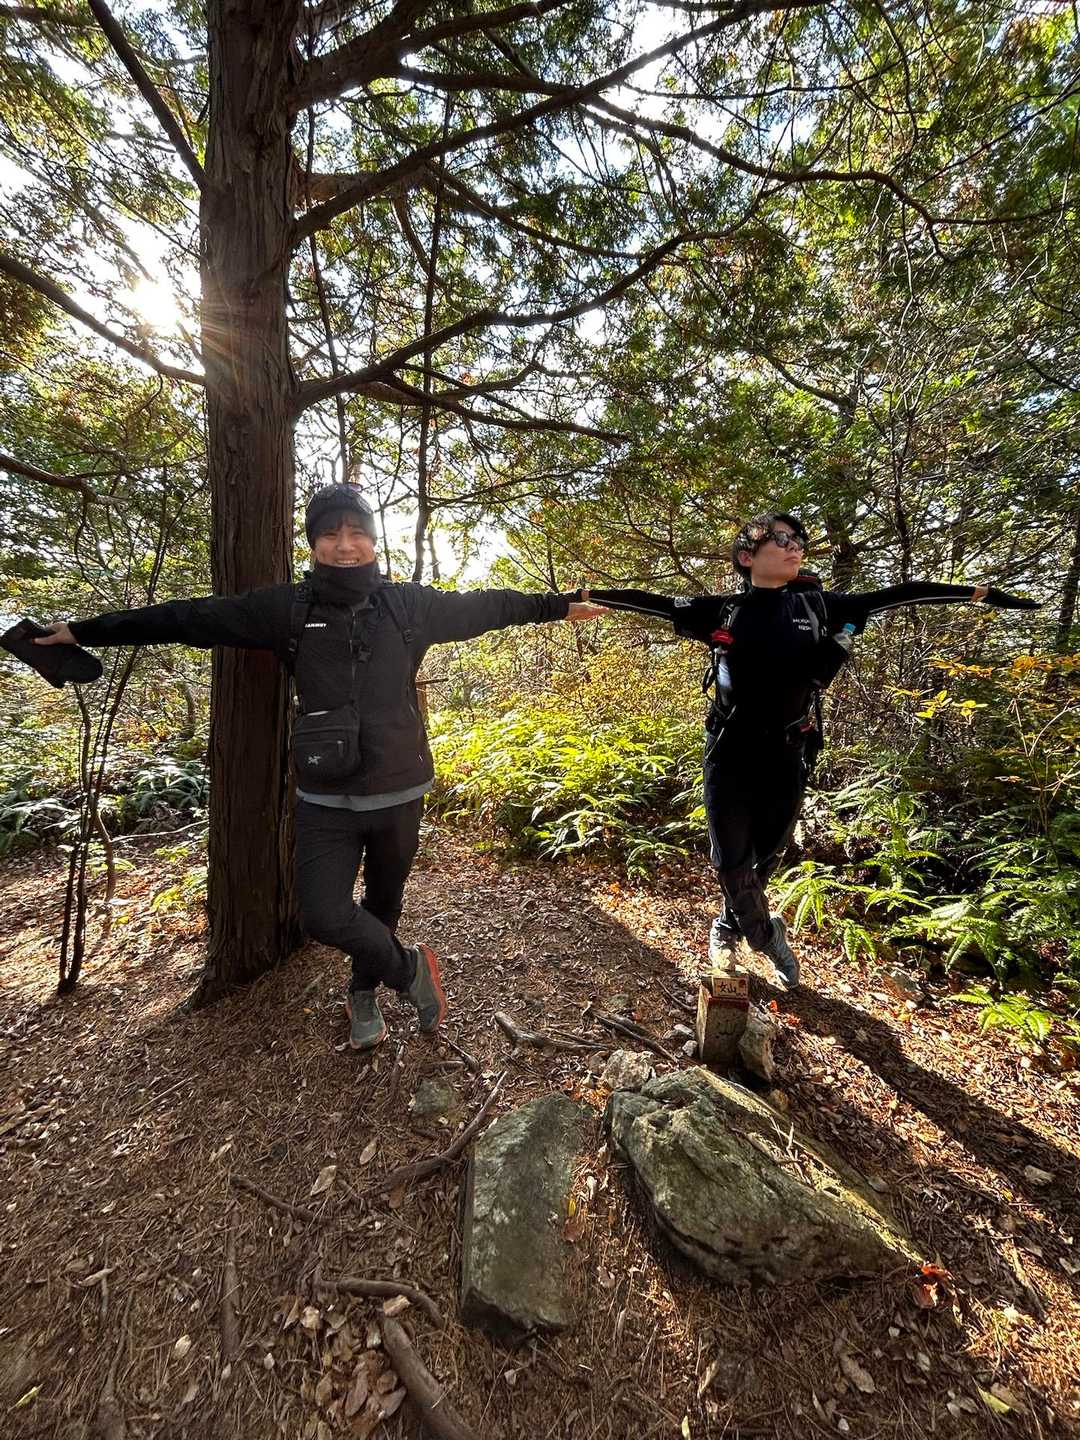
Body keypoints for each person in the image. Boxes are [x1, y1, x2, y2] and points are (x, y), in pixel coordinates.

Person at [36, 483, 603, 1049]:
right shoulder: (288, 608)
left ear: (374, 541)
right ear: (312, 544)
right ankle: (408, 970)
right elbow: (191, 618)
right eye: (330, 534)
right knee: (324, 915)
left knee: (383, 901)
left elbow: (492, 605)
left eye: (356, 532)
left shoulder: (408, 605)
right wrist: (84, 631)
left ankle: (363, 993)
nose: (345, 545)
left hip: (399, 789)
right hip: (325, 796)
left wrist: (558, 605)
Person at [585, 511, 1039, 987]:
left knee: (766, 855)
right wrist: (585, 595)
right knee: (730, 860)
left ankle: (728, 925)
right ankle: (764, 936)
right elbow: (651, 603)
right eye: (780, 538)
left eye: (797, 539)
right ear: (747, 556)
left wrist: (984, 594)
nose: (794, 545)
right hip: (729, 750)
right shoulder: (722, 611)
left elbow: (904, 592)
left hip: (788, 751)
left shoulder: (820, 605)